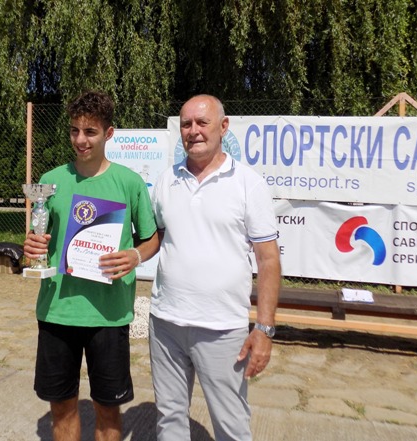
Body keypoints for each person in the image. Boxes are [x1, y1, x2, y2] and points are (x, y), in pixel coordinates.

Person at [23, 90, 158, 441]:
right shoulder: (51, 180)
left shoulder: (129, 182)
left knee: (108, 409)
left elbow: (151, 239)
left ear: (108, 133)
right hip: (58, 311)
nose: (80, 140)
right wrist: (32, 246)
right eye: (74, 131)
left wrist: (135, 256)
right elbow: (38, 238)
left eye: (90, 132)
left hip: (108, 315)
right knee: (62, 407)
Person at [149, 95, 281, 440]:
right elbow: (154, 238)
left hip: (222, 329)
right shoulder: (166, 181)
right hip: (165, 324)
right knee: (169, 419)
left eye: (201, 122)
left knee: (231, 426)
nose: (193, 131)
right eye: (186, 124)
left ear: (223, 127)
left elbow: (268, 260)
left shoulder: (248, 183)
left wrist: (264, 330)